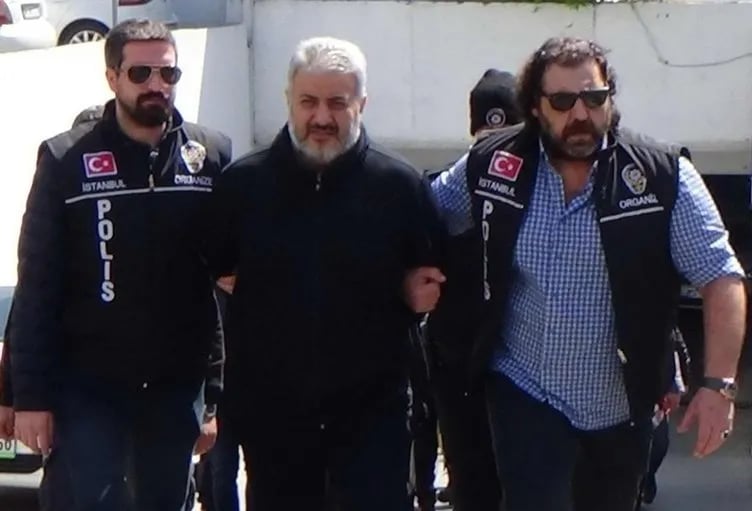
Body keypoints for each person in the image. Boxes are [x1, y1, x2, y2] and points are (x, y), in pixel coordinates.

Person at [426, 36, 746, 511]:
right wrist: (412, 277)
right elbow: (423, 219)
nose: (580, 114)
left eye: (594, 98)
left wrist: (719, 385)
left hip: (622, 405)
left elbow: (720, 277)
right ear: (535, 107)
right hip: (524, 392)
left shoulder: (661, 176)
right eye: (562, 101)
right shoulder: (495, 164)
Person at [209, 36, 443, 511]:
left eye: (337, 103)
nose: (321, 117)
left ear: (362, 103)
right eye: (308, 102)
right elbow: (214, 272)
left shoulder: (399, 186)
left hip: (373, 421)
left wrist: (408, 293)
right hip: (275, 423)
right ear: (288, 101)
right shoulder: (243, 186)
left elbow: (433, 277)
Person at [10, 19, 232, 511]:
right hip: (88, 386)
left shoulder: (210, 156)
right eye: (141, 73)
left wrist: (211, 398)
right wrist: (29, 397)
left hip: (176, 386)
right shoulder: (66, 159)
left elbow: (215, 287)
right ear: (112, 77)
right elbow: (38, 284)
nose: (157, 85)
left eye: (168, 74)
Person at [423, 68, 520, 511]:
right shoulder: (448, 187)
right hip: (459, 362)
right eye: (486, 138)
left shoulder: (544, 187)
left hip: (522, 365)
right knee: (472, 482)